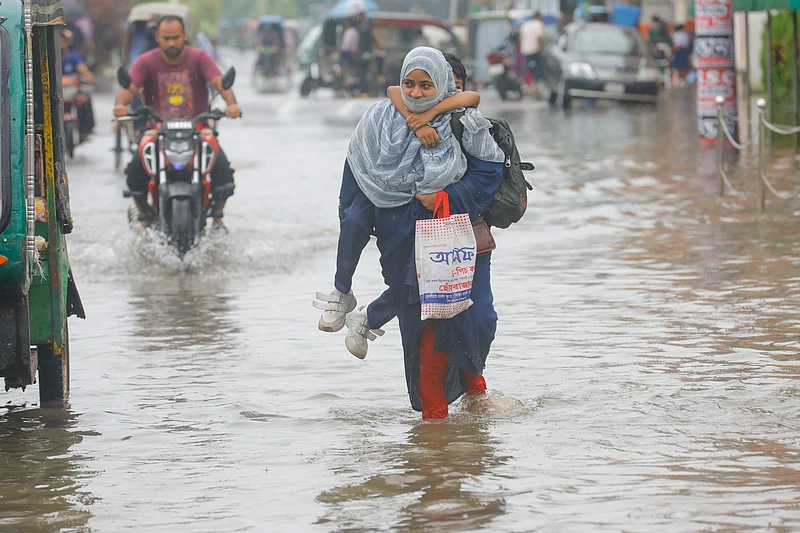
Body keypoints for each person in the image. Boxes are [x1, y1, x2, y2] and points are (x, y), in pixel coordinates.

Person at [316, 48, 506, 420]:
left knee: (478, 319)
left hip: (458, 241)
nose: (417, 93)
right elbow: (357, 181)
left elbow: (488, 173)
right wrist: (356, 230)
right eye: (410, 84)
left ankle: (474, 394)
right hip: (402, 240)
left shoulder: (465, 124)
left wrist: (446, 196)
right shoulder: (381, 122)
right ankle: (433, 436)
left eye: (429, 85)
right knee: (424, 336)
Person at [113, 15, 241, 229]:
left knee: (223, 172)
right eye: (166, 38)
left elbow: (220, 82)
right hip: (156, 129)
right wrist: (120, 106)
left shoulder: (199, 57)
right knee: (135, 170)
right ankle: (144, 215)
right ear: (158, 37)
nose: (171, 43)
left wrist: (232, 104)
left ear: (184, 36)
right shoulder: (146, 61)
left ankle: (217, 216)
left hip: (198, 129)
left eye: (175, 37)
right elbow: (128, 90)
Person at [61, 29, 96, 141]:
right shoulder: (49, 56)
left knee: (84, 100)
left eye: (65, 40)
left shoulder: (73, 57)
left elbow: (84, 71)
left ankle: (84, 131)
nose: (62, 43)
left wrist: (89, 78)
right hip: (56, 91)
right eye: (60, 39)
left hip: (72, 90)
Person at [519, 12, 545, 87]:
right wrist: (541, 48)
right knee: (538, 66)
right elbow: (539, 38)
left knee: (526, 66)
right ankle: (536, 82)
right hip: (534, 49)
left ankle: (524, 81)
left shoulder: (525, 24)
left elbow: (521, 38)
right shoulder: (539, 24)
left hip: (525, 50)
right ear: (538, 16)